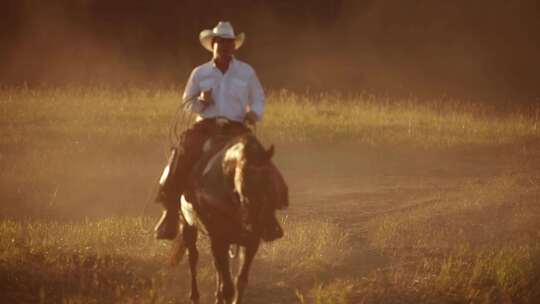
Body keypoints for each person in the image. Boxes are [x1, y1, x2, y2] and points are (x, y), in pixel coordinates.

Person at [154, 21, 282, 241]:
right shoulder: (199, 73)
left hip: (237, 128)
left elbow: (258, 97)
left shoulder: (246, 72)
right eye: (220, 42)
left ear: (234, 46)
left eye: (229, 42)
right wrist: (201, 101)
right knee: (182, 153)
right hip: (206, 126)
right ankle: (171, 212)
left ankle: (269, 216)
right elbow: (187, 102)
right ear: (212, 44)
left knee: (261, 161)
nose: (224, 46)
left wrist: (254, 114)